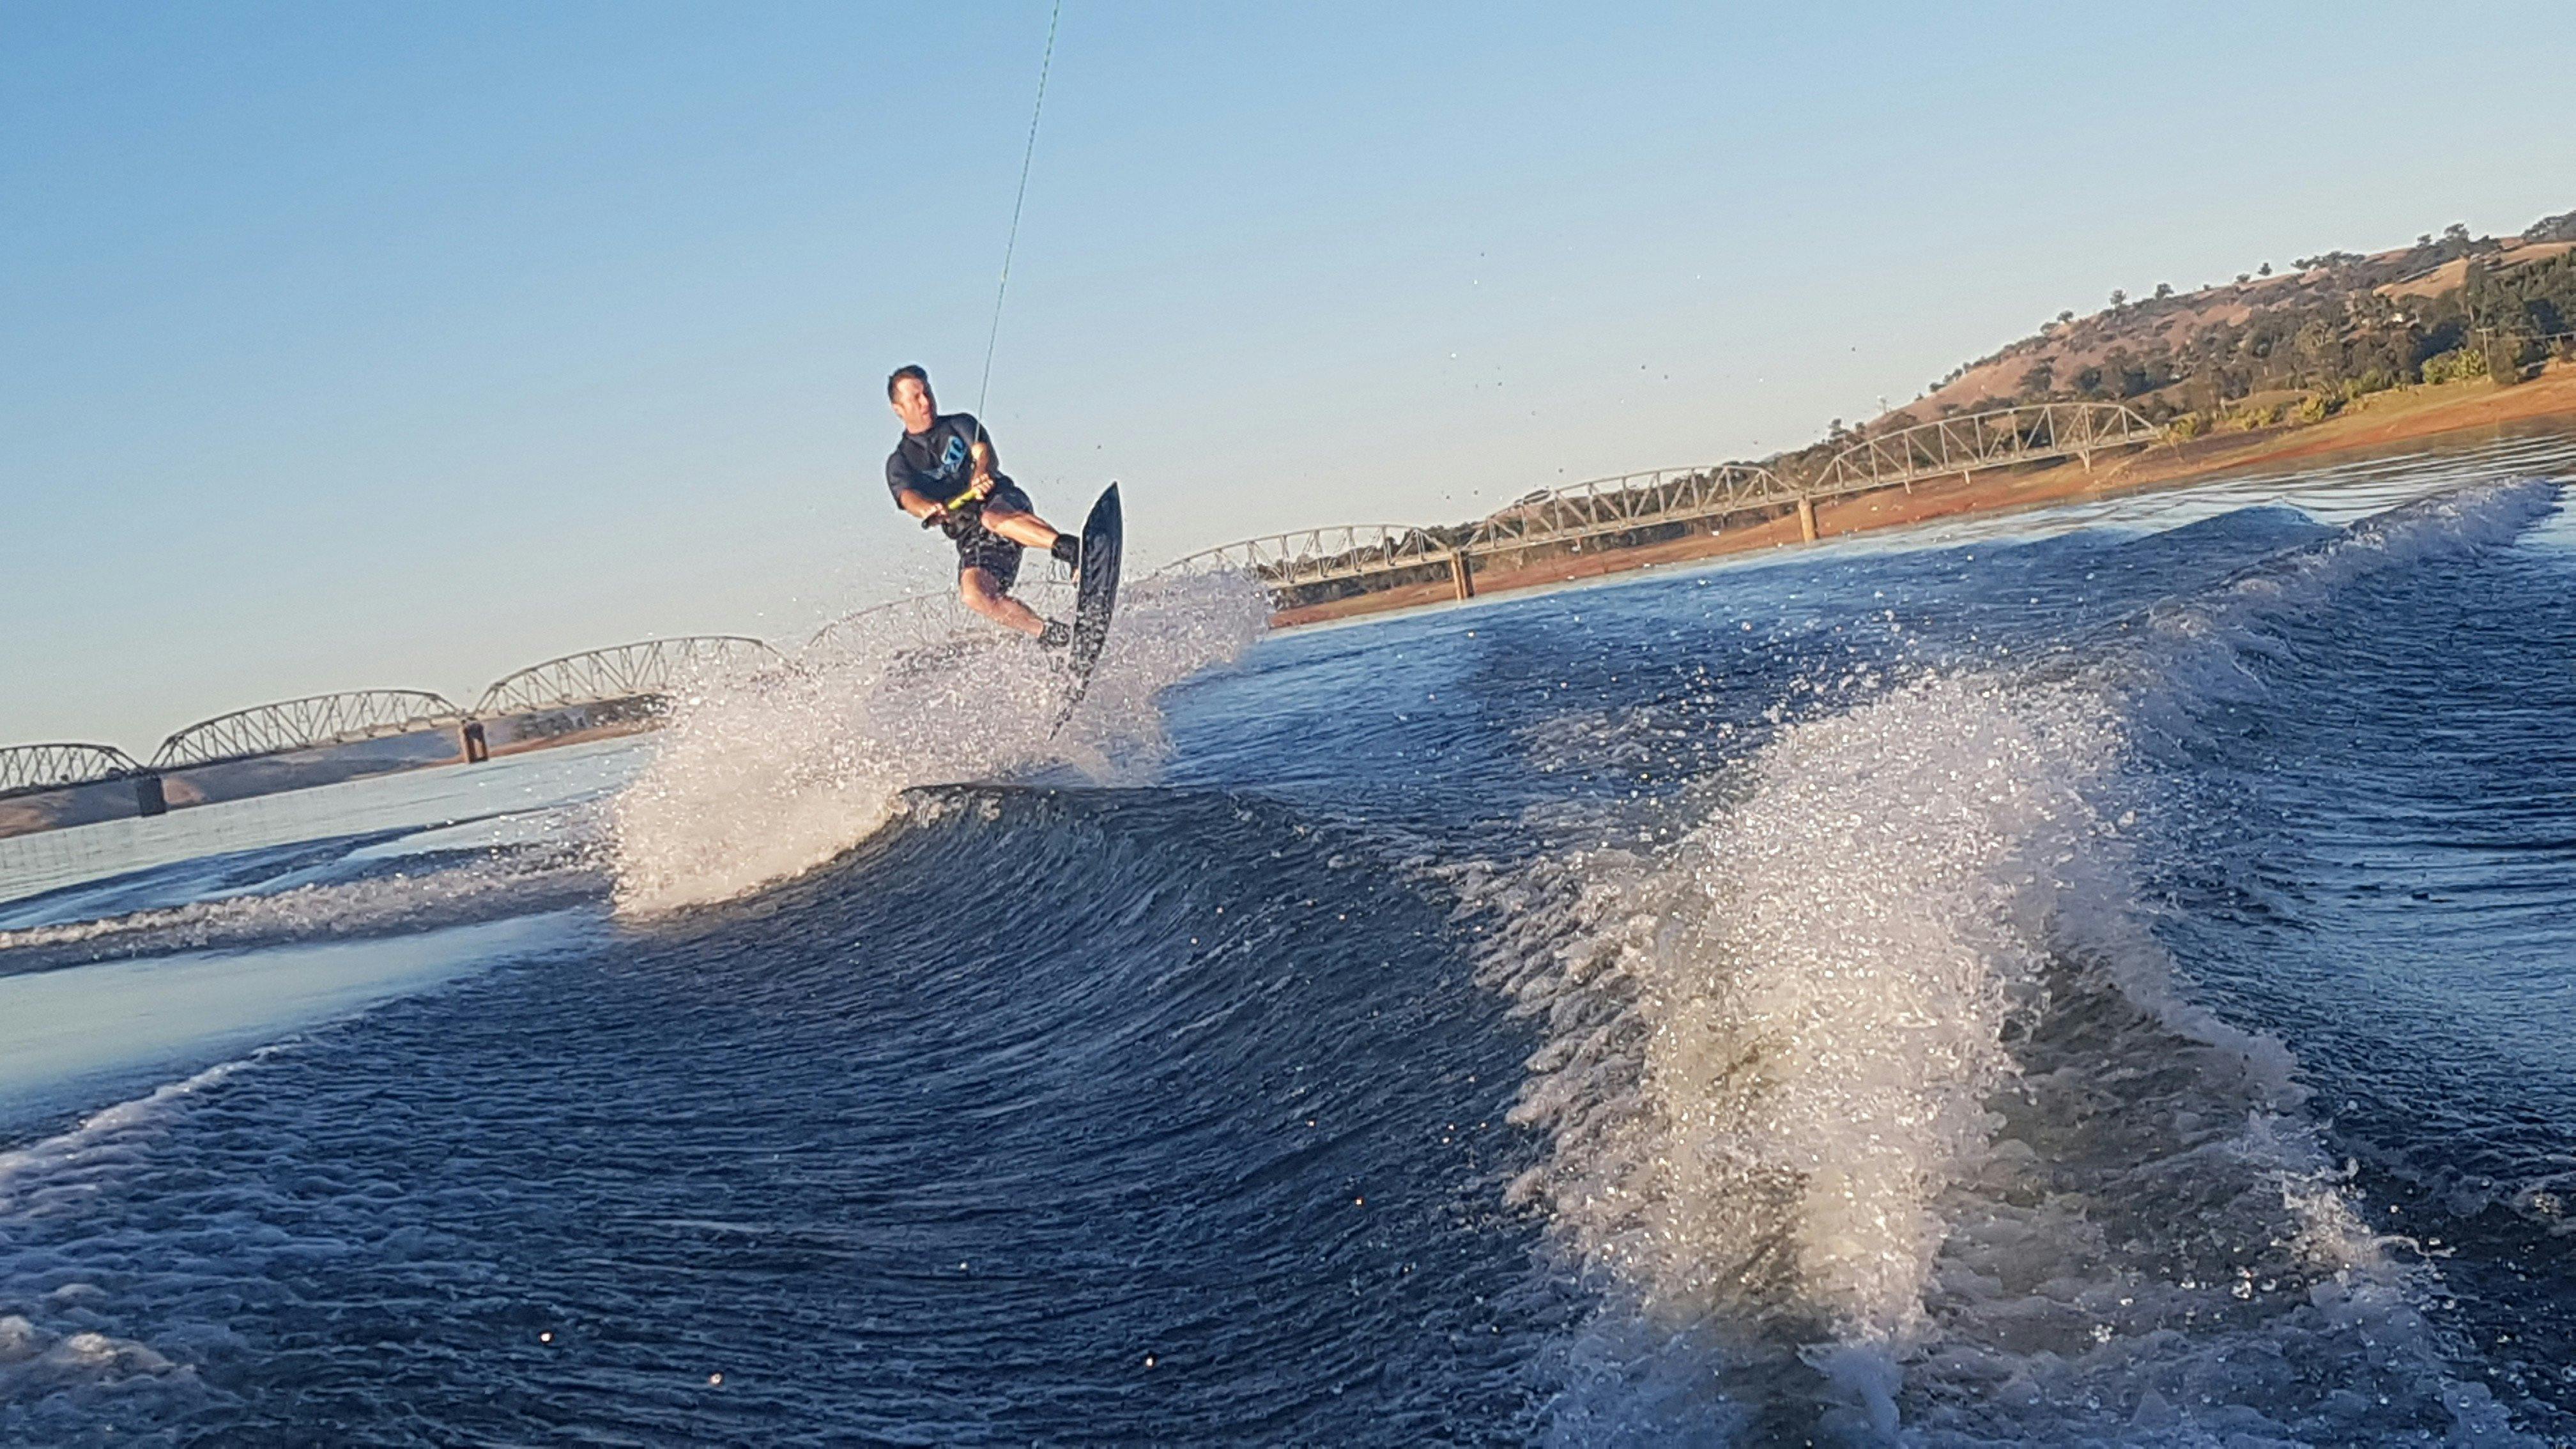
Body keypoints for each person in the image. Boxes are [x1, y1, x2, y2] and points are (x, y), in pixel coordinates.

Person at [884, 364, 1080, 645]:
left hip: (1002, 502)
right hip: (972, 535)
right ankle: (1051, 634)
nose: (926, 402)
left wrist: (980, 472)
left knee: (992, 517)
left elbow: (983, 452)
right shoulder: (900, 461)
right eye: (915, 398)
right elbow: (907, 497)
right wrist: (927, 509)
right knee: (973, 594)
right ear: (898, 409)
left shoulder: (959, 424)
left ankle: (1071, 549)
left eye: (927, 393)